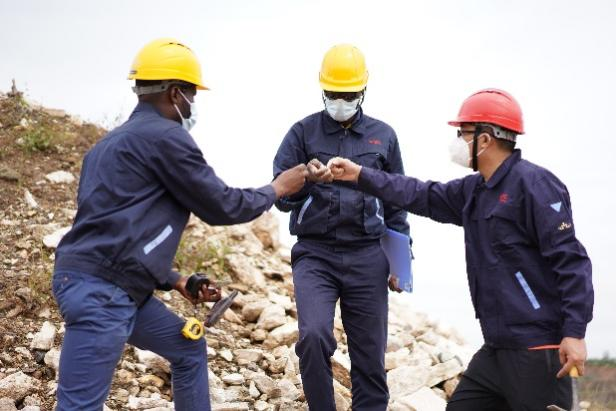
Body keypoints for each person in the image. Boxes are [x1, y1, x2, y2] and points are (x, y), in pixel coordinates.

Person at [52, 38, 308, 411]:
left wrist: (176, 280)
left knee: (188, 348)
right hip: (103, 293)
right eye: (192, 94)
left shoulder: (106, 146)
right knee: (78, 407)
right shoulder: (167, 137)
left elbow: (112, 229)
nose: (192, 104)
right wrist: (277, 188)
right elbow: (221, 205)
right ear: (175, 93)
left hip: (110, 285)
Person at [328, 88, 594, 410]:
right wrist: (360, 175)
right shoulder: (475, 190)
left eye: (463, 133)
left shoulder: (535, 185)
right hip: (496, 348)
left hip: (538, 349)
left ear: (485, 139)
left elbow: (572, 261)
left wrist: (574, 332)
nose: (457, 141)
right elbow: (420, 194)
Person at [273, 44, 411, 410]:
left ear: (363, 90)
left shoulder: (384, 136)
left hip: (368, 256)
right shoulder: (301, 133)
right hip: (315, 255)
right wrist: (308, 179)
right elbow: (280, 197)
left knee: (370, 357)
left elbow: (396, 202)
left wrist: (401, 262)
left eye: (348, 95)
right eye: (333, 94)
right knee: (313, 337)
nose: (340, 101)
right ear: (322, 89)